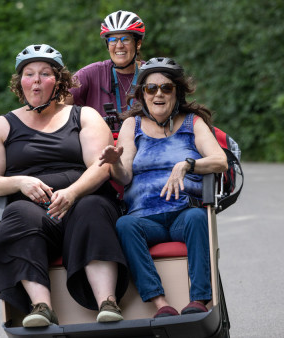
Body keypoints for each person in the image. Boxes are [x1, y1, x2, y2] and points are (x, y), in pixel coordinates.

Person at [0, 44, 129, 327]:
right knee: (18, 215)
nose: (36, 80)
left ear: (58, 81)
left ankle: (108, 302)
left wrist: (73, 192)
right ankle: (41, 306)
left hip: (83, 200)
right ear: (19, 82)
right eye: (29, 74)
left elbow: (101, 164)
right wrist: (19, 181)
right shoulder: (1, 125)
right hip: (36, 213)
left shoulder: (83, 116)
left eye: (45, 74)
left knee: (93, 207)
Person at [98, 57, 228, 318]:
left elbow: (220, 161)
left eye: (166, 88)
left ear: (177, 93)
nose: (159, 94)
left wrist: (187, 164)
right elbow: (124, 178)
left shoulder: (193, 122)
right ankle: (161, 304)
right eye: (151, 88)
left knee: (196, 216)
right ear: (142, 94)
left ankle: (199, 301)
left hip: (183, 213)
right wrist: (114, 164)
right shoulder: (131, 125)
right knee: (124, 225)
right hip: (145, 220)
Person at [65, 10, 146, 130]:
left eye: (125, 39)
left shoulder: (152, 74)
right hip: (100, 145)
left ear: (138, 43)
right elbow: (57, 107)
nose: (119, 45)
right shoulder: (91, 73)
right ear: (107, 45)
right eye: (113, 40)